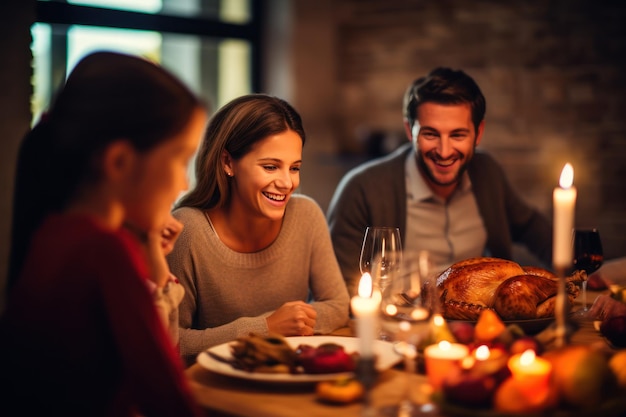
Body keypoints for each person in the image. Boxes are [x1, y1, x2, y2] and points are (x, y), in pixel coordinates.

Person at [0, 51, 206, 417]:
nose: (183, 182)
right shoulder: (104, 249)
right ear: (119, 162)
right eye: (179, 159)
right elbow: (169, 397)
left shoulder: (53, 232)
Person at [327, 67, 553, 296]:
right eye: (431, 134)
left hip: (481, 325)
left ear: (479, 132)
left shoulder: (487, 172)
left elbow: (531, 226)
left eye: (457, 135)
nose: (444, 152)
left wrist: (582, 270)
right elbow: (337, 291)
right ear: (409, 130)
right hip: (398, 325)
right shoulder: (362, 189)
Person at [167, 94, 351, 366]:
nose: (287, 183)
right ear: (228, 162)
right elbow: (172, 341)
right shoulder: (188, 230)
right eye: (270, 167)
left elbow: (338, 305)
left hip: (287, 380)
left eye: (295, 168)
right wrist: (266, 327)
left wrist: (293, 322)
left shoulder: (306, 215)